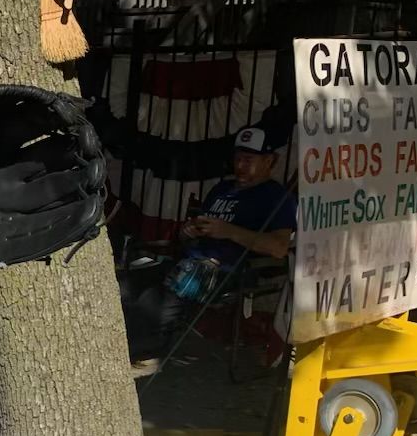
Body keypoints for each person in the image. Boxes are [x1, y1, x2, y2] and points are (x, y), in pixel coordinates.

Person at [122, 125, 296, 365]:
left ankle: (147, 347)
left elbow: (278, 247)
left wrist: (229, 232)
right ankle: (128, 342)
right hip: (188, 259)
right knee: (125, 284)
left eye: (249, 159)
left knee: (171, 289)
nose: (241, 166)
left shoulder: (277, 198)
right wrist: (189, 231)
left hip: (226, 270)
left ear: (270, 161)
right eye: (238, 158)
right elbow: (195, 233)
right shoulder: (221, 189)